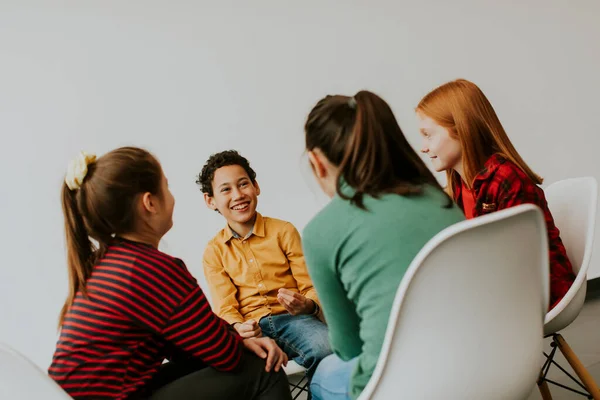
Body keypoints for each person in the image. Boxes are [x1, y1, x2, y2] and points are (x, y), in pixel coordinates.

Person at [48, 147, 292, 400]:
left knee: (223, 361)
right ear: (150, 203)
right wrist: (239, 344)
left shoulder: (108, 263)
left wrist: (237, 341)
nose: (172, 197)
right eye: (166, 187)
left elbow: (191, 346)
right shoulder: (150, 268)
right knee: (264, 369)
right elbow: (226, 356)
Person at [301, 91, 465, 400]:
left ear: (317, 162)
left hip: (401, 388)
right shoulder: (437, 198)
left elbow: (349, 348)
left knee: (324, 375)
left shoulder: (320, 231)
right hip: (485, 367)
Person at [416, 78, 575, 308]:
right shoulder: (459, 186)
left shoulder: (507, 180)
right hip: (501, 290)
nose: (423, 146)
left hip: (539, 294)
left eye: (428, 135)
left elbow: (514, 264)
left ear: (461, 130)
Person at [197, 150, 332, 379]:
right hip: (252, 331)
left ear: (256, 187)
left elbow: (310, 286)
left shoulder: (283, 231)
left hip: (295, 320)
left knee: (326, 347)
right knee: (231, 371)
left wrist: (307, 305)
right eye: (226, 189)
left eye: (243, 184)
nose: (238, 195)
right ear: (211, 201)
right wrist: (238, 327)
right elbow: (226, 307)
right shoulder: (214, 251)